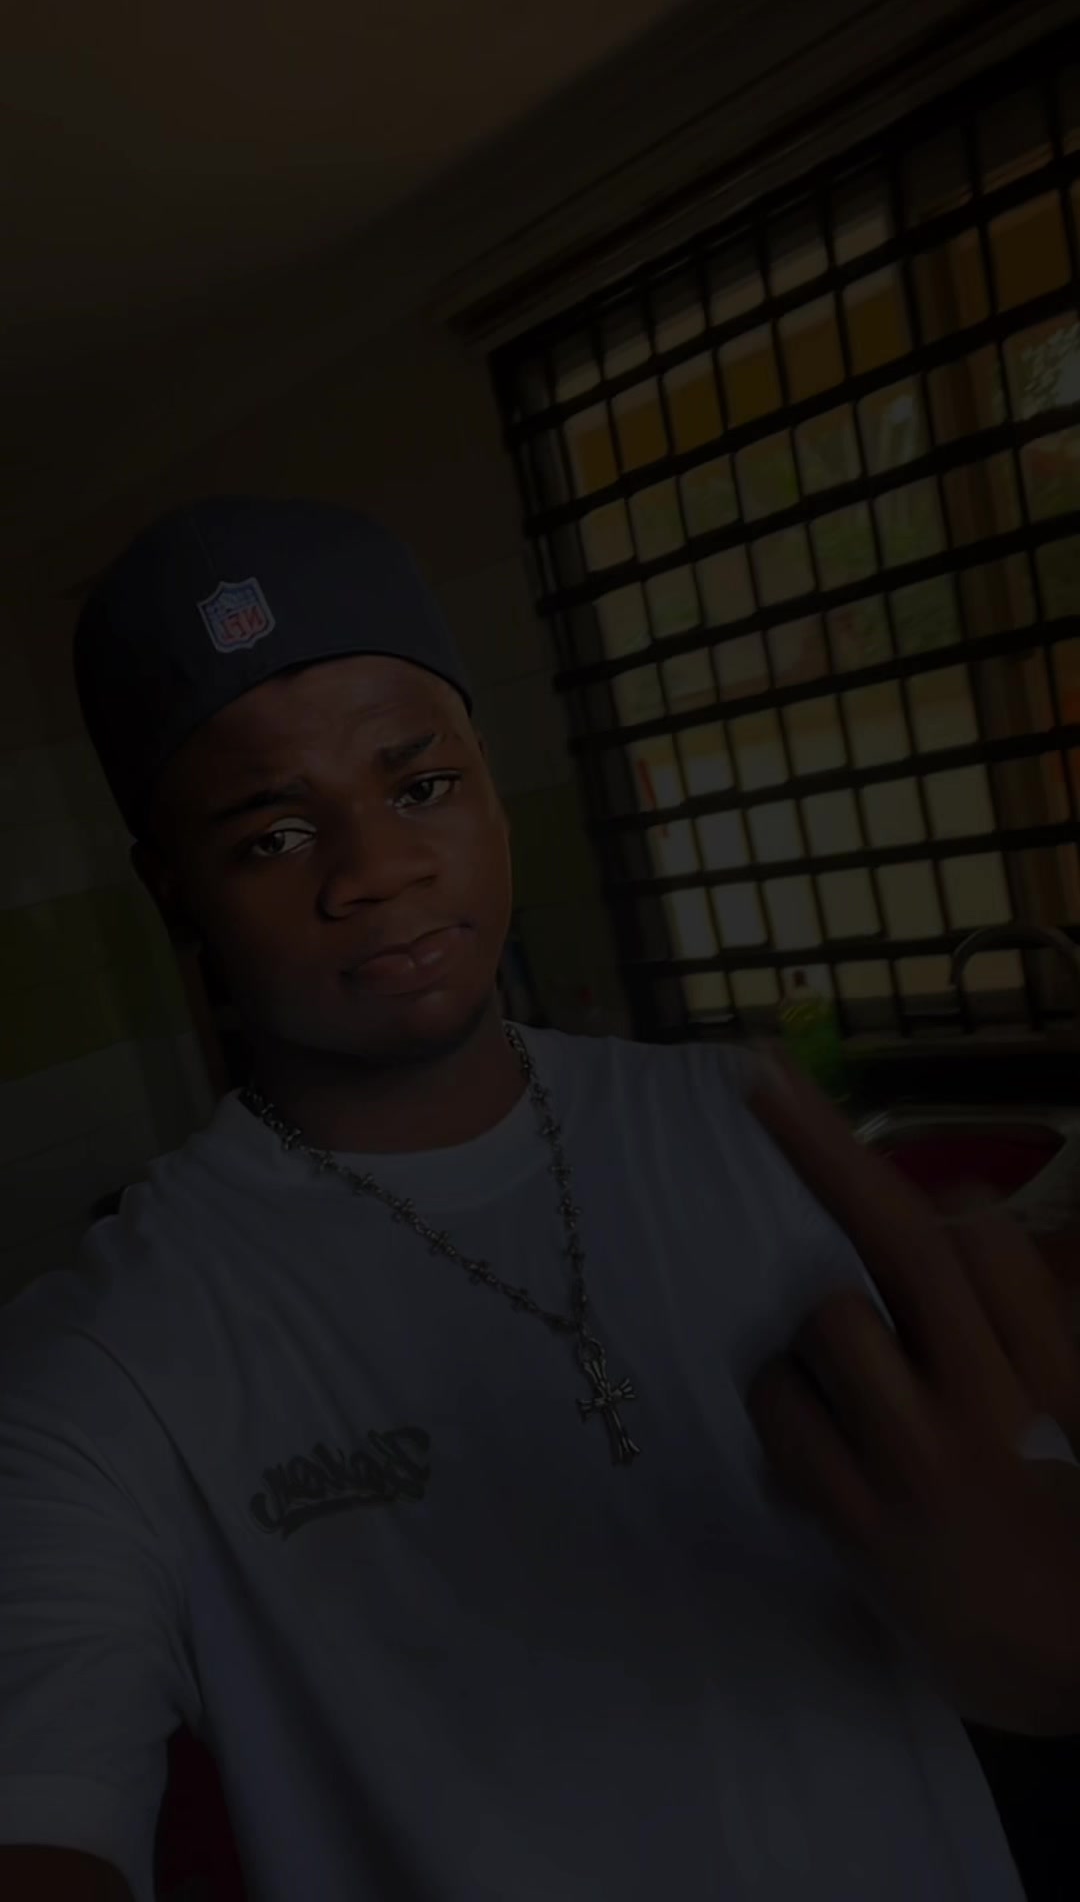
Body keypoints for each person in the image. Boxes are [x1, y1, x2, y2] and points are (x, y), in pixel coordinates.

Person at [1, 495, 1079, 1902]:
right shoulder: (106, 1359)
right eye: (273, 834)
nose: (378, 869)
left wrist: (1040, 1641)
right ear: (172, 892)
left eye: (420, 787)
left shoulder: (749, 1129)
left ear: (490, 784)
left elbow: (1028, 1568)